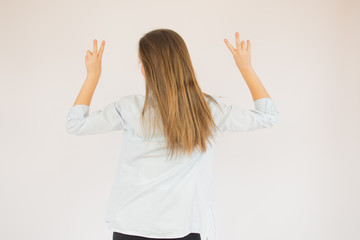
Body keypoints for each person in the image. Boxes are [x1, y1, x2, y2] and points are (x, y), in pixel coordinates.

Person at [65, 29, 279, 240]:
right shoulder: (207, 110)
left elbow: (75, 124)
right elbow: (268, 116)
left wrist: (93, 75)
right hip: (183, 229)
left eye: (140, 62)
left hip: (131, 227)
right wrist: (246, 67)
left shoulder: (130, 108)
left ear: (146, 69)